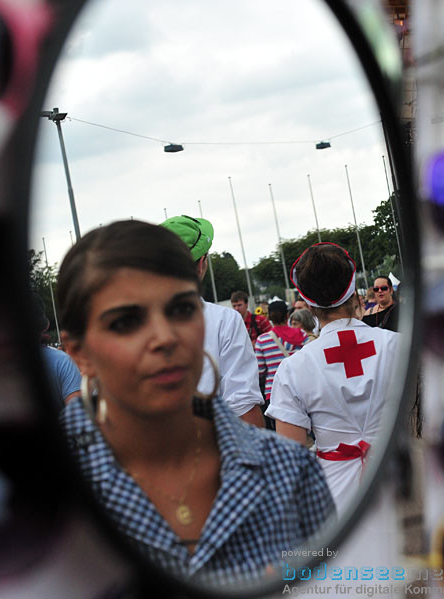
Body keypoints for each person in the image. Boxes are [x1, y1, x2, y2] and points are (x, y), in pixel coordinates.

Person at [56, 221, 335, 584]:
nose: (164, 338)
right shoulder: (48, 494)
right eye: (127, 321)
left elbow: (335, 582)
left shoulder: (290, 470)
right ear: (80, 353)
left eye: (182, 310)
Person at [266, 242, 399, 511]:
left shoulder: (293, 369)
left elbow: (291, 464)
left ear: (309, 304)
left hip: (334, 505)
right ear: (354, 291)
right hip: (401, 483)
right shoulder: (396, 345)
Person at [161, 215, 265, 427]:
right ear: (201, 265)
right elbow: (243, 405)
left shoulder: (129, 326)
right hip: (212, 449)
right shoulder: (225, 320)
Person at [254, 300, 307, 430]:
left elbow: (259, 371)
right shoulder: (302, 335)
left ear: (270, 318)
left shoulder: (262, 340)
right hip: (302, 388)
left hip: (274, 392)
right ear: (287, 316)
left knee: (282, 433)